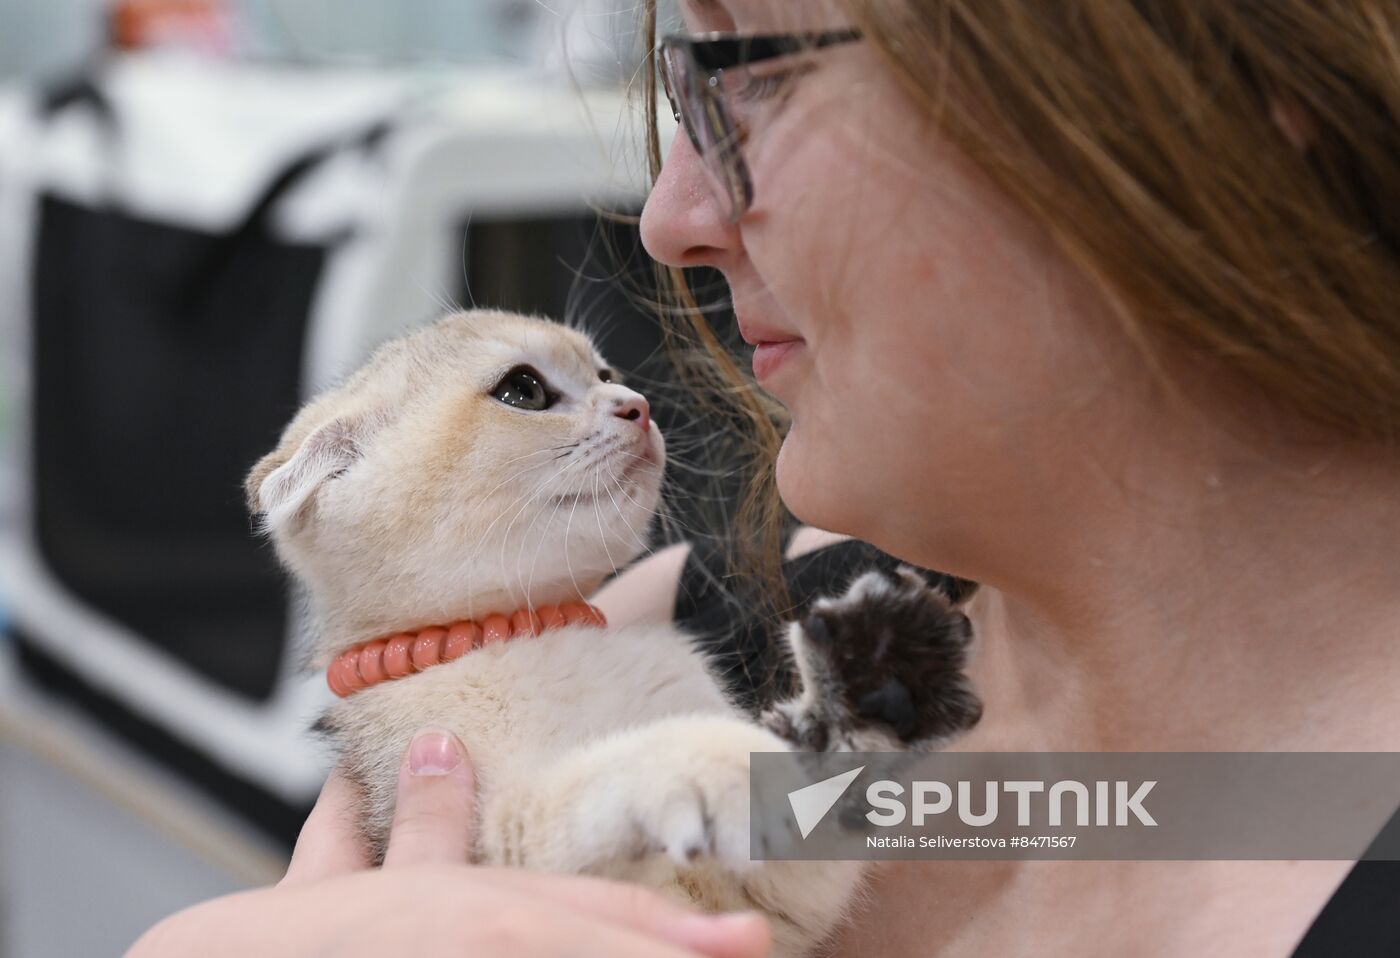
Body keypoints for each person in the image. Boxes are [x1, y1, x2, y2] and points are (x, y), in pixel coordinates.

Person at [130, 0, 1400, 954]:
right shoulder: (716, 609)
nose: (668, 215)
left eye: (755, 71)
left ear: (1205, 82)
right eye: (677, 94)